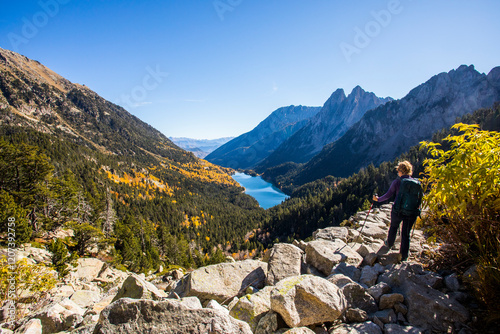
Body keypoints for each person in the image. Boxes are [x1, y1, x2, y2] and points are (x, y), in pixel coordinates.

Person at [373, 161, 418, 262]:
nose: (398, 173)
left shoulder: (397, 182)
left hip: (398, 211)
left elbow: (388, 195)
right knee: (406, 234)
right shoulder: (416, 183)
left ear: (401, 171)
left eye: (398, 171)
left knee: (393, 227)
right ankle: (404, 256)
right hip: (411, 212)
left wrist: (378, 199)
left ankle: (389, 243)